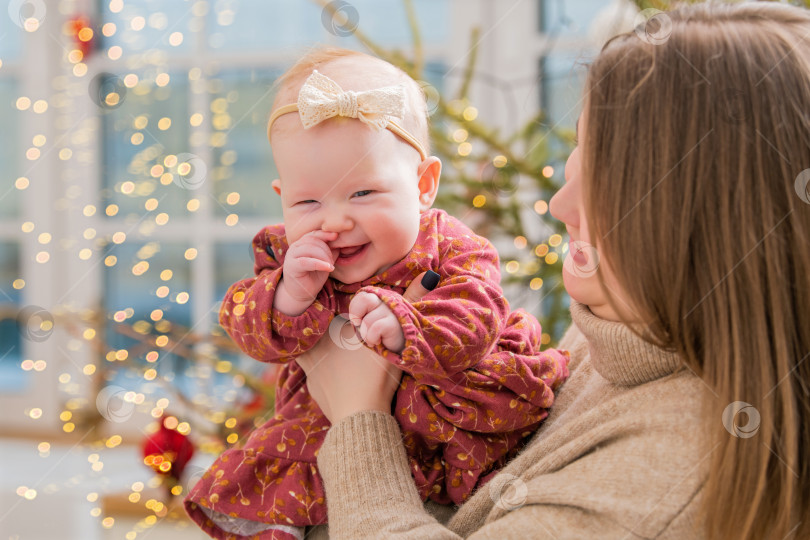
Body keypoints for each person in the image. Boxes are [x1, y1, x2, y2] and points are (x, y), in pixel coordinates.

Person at [293, 3, 810, 539]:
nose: (561, 204)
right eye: (581, 143)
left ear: (702, 217)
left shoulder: (669, 480)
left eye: (612, 176)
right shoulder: (620, 336)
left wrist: (359, 417)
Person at [184, 49, 570, 539]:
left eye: (363, 193)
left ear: (424, 184)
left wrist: (407, 327)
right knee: (284, 487)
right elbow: (245, 324)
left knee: (479, 494)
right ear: (283, 198)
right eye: (308, 201)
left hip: (449, 413)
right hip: (326, 431)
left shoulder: (451, 246)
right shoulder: (285, 255)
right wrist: (287, 295)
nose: (336, 220)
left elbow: (478, 314)